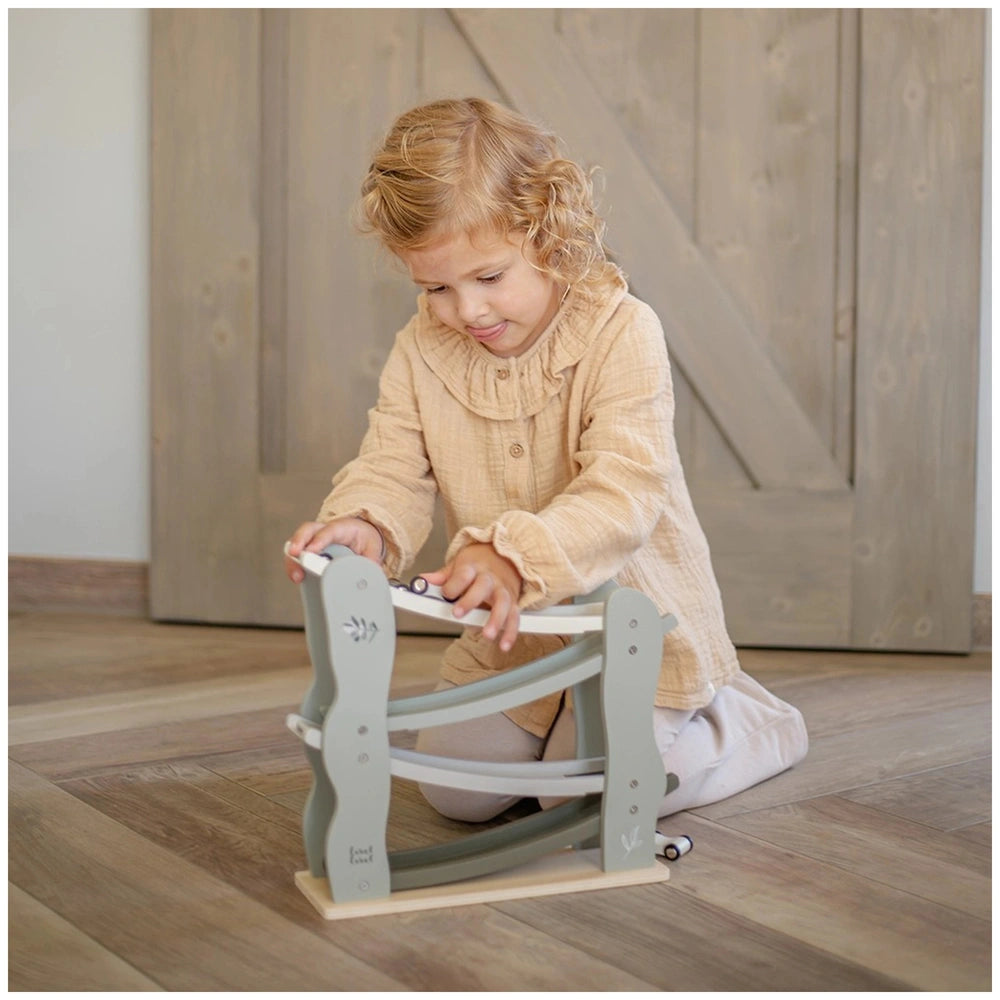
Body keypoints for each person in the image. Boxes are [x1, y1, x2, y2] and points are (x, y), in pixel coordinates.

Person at [285, 97, 808, 823]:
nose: (466, 311)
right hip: (515, 644)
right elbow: (394, 463)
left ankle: (744, 723)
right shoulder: (421, 351)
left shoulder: (623, 331)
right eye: (436, 287)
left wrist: (515, 555)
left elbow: (623, 491)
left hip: (632, 633)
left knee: (589, 790)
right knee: (456, 795)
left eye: (489, 277)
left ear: (548, 233)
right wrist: (364, 523)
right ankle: (556, 734)